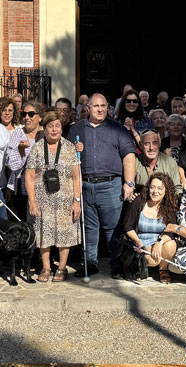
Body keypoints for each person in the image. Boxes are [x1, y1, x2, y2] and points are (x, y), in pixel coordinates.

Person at [67, 93, 137, 277]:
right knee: (89, 229)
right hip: (85, 185)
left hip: (110, 185)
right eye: (96, 106)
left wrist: (129, 183)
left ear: (108, 107)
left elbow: (129, 155)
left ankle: (116, 266)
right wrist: (73, 150)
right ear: (88, 108)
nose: (100, 109)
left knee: (113, 229)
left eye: (103, 106)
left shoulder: (118, 129)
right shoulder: (77, 129)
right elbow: (66, 155)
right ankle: (90, 263)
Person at [25, 111, 82, 282]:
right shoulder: (36, 148)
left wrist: (77, 201)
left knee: (65, 234)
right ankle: (46, 267)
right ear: (45, 128)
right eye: (51, 126)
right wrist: (32, 201)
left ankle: (62, 268)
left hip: (65, 200)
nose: (54, 129)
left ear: (62, 128)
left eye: (57, 126)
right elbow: (29, 176)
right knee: (44, 234)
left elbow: (76, 176)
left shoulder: (70, 148)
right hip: (42, 201)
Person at [122, 172, 179, 284]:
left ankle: (163, 270)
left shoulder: (169, 206)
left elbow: (171, 230)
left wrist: (159, 243)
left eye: (159, 188)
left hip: (159, 241)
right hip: (141, 242)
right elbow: (127, 226)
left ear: (166, 191)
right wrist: (138, 241)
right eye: (152, 187)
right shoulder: (139, 201)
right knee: (153, 260)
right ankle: (143, 267)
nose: (155, 191)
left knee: (171, 244)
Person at [5, 101, 45, 221]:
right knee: (24, 224)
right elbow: (11, 163)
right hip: (23, 189)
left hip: (43, 188)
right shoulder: (19, 133)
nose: (27, 117)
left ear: (40, 117)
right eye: (24, 114)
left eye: (31, 114)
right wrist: (21, 151)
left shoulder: (47, 134)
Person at [134, 130, 182, 195]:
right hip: (142, 201)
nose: (151, 148)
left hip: (165, 201)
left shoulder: (170, 162)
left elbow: (177, 188)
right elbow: (128, 187)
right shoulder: (134, 163)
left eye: (154, 143)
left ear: (159, 144)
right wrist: (132, 197)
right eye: (146, 144)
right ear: (140, 145)